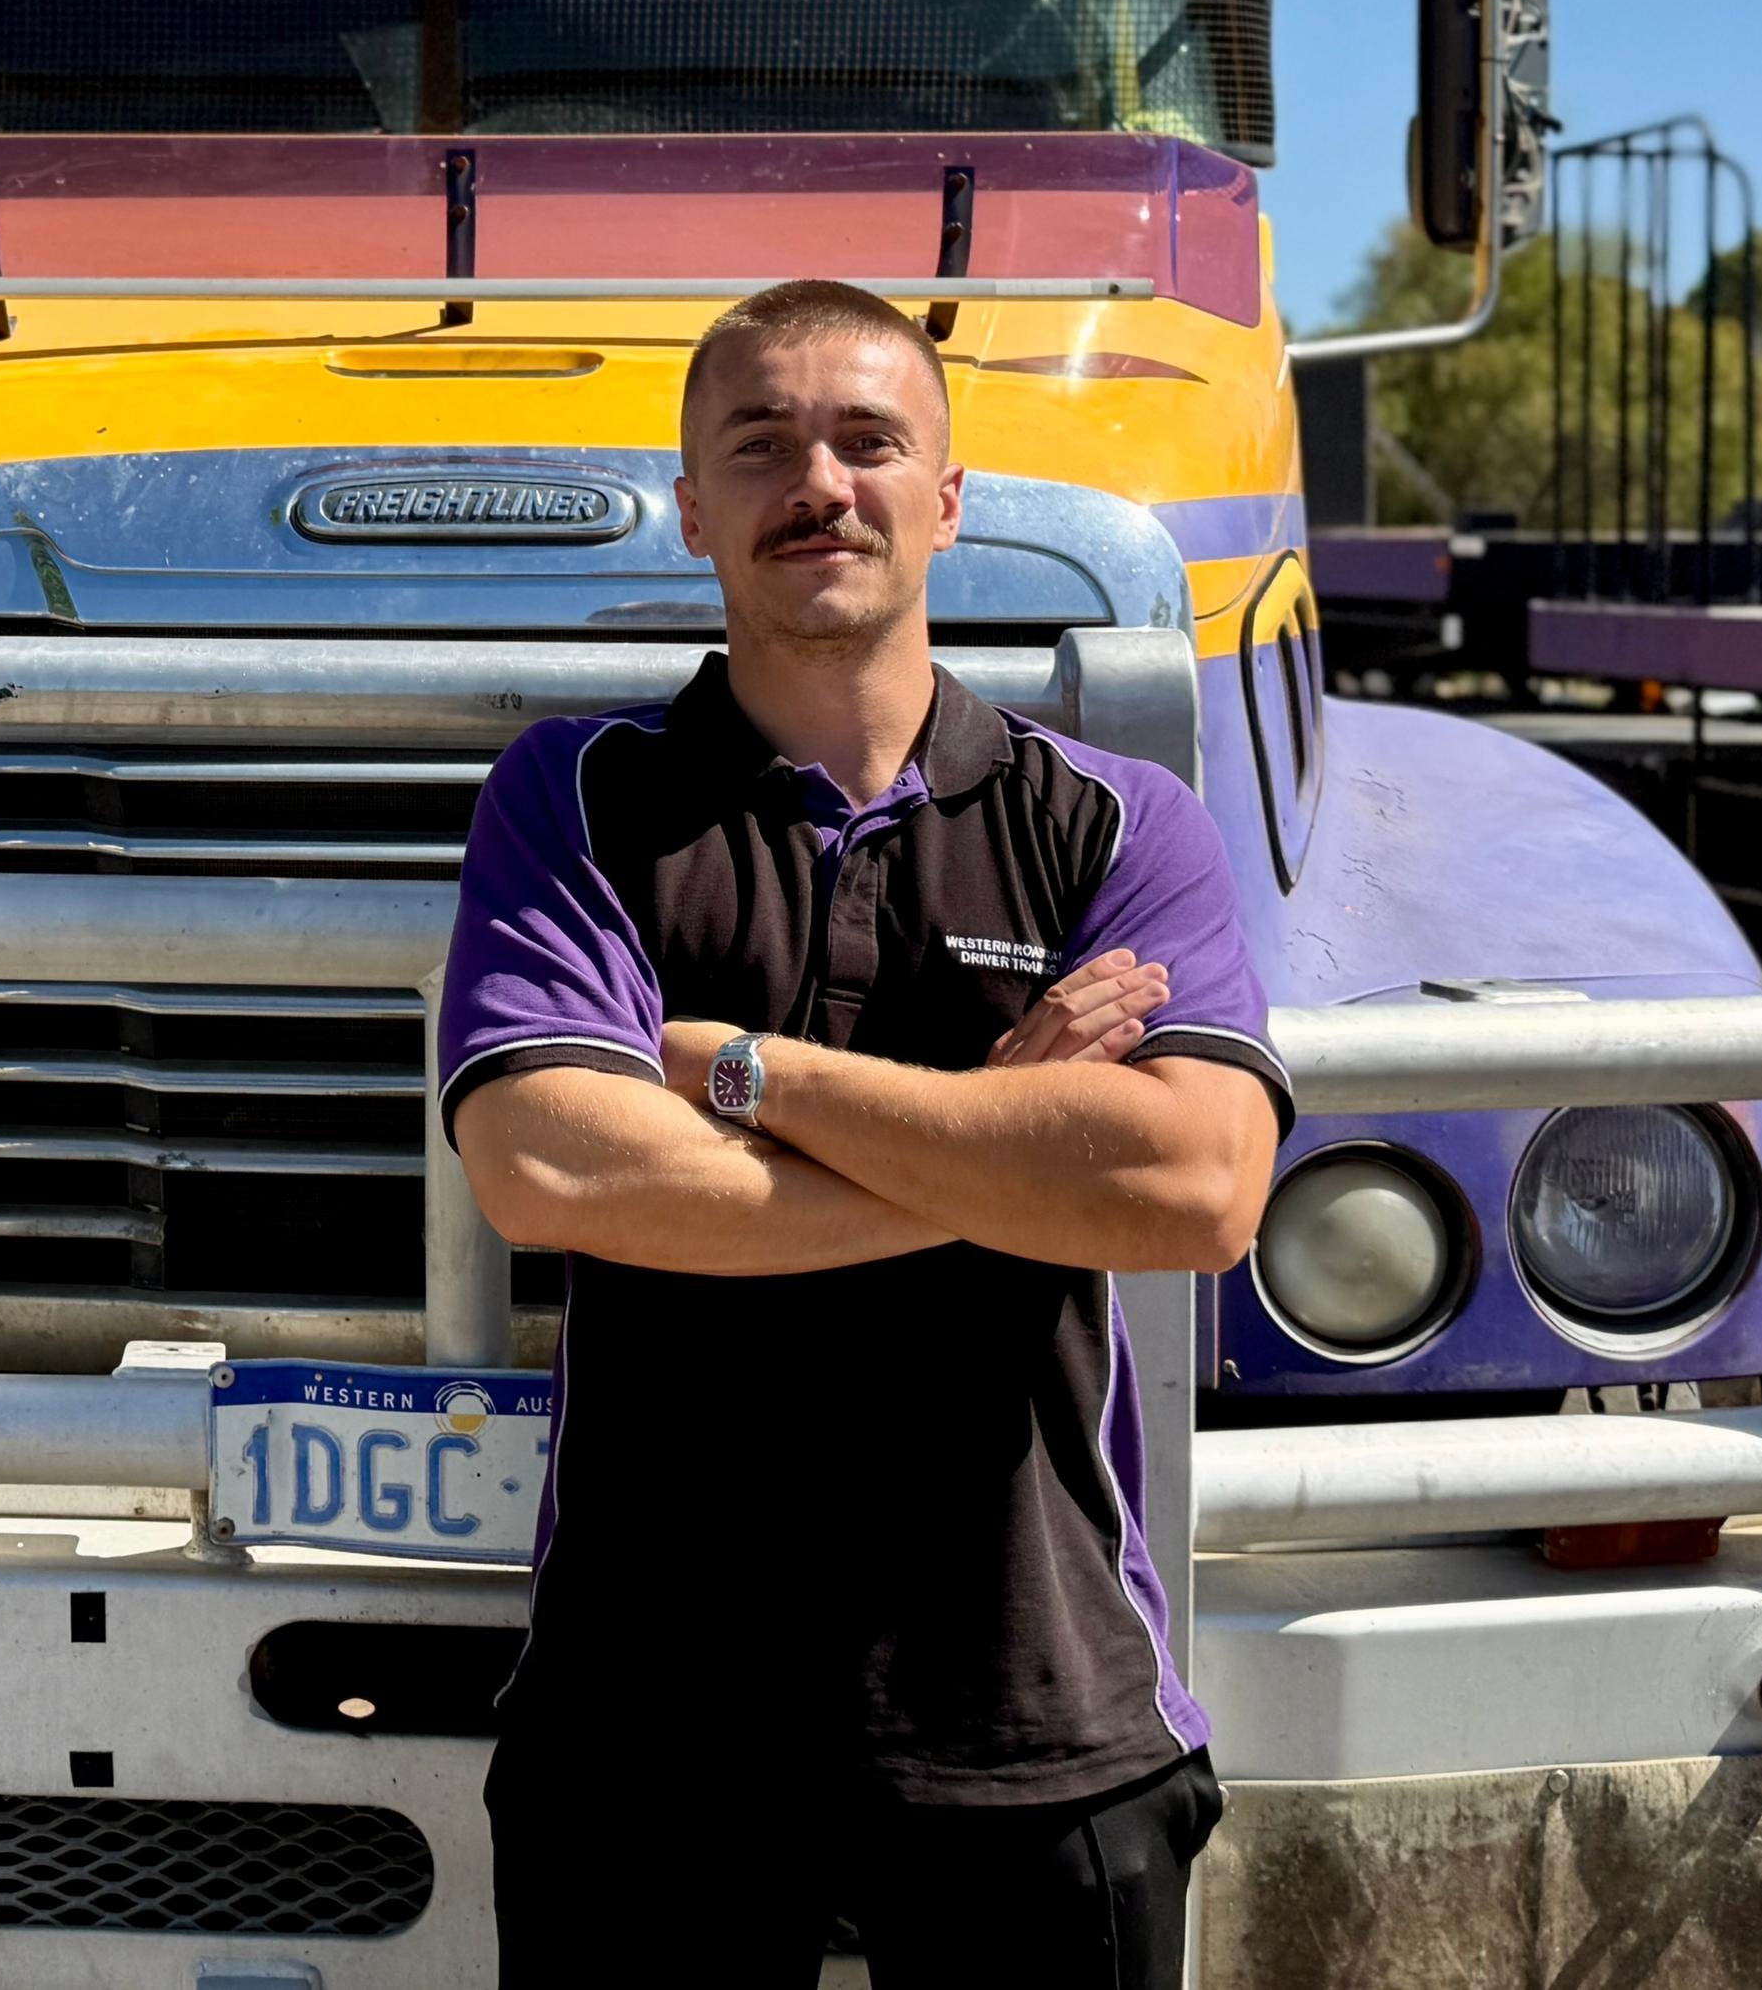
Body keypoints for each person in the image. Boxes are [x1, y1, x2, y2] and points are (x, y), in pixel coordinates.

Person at [436, 278, 1291, 1989]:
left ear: (951, 498)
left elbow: (1195, 1188)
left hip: (1043, 1712)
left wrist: (753, 1076)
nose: (816, 481)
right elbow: (548, 1162)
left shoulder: (1119, 822)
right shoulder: (581, 796)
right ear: (693, 508)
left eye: (869, 440)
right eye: (759, 446)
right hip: (646, 1726)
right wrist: (1007, 1147)